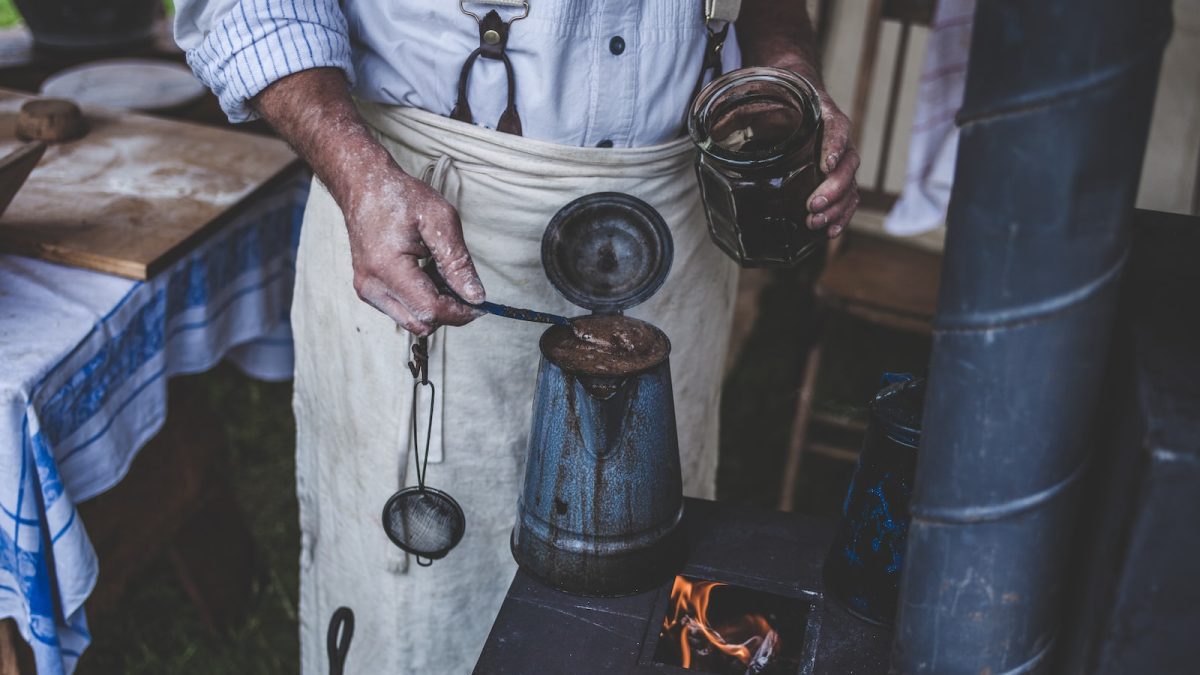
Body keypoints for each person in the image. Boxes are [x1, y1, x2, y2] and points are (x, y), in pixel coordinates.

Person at [173, 1, 859, 672]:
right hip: (423, 206)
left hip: (675, 210)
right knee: (427, 599)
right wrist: (359, 176)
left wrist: (786, 72)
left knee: (641, 576)